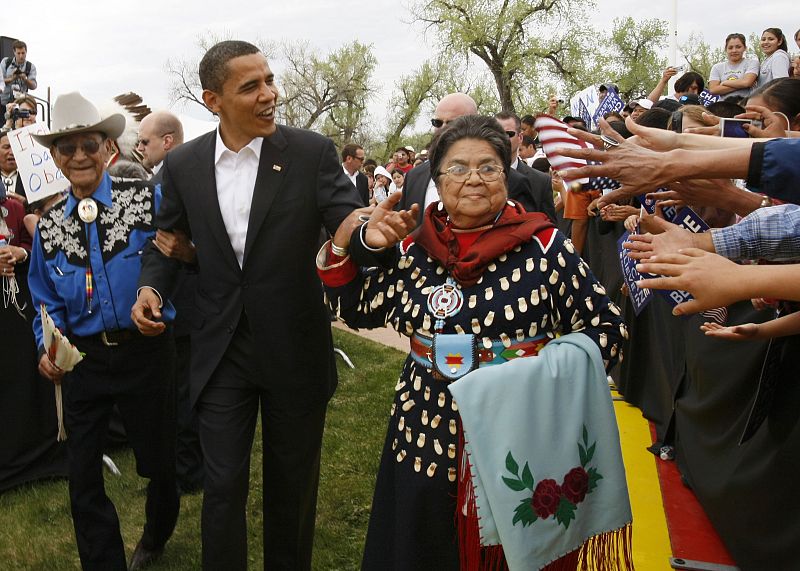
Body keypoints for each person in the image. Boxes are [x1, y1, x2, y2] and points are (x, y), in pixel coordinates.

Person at [323, 115, 628, 569]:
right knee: (422, 546)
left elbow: (608, 330)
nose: (473, 180)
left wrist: (529, 375)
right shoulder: (414, 248)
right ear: (437, 179)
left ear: (506, 175)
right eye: (458, 169)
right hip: (425, 431)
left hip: (518, 435)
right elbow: (358, 309)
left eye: (488, 168)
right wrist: (345, 243)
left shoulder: (545, 248)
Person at [131, 40, 363, 570]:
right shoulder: (185, 165)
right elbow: (165, 243)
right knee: (222, 487)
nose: (270, 94)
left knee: (292, 488)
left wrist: (368, 232)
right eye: (250, 86)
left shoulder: (309, 153)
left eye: (269, 80)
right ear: (213, 100)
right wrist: (152, 289)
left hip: (294, 347)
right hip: (221, 351)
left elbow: (348, 219)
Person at [27, 92, 179, 571]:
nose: (78, 156)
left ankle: (156, 533)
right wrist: (46, 347)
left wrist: (157, 302)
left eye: (88, 145)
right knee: (83, 476)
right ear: (55, 158)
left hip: (145, 353)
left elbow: (174, 256)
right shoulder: (49, 228)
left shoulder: (146, 200)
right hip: (84, 363)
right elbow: (44, 300)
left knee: (158, 462)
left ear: (107, 148)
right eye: (67, 148)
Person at [494, 111, 557, 222]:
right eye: (497, 133)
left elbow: (550, 227)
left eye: (509, 134)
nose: (502, 139)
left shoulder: (541, 181)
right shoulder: (476, 177)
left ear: (520, 138)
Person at [707, 33, 759, 100]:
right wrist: (742, 84)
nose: (734, 50)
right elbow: (713, 90)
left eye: (738, 47)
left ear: (745, 48)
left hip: (746, 106)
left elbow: (747, 82)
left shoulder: (752, 63)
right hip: (723, 106)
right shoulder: (717, 67)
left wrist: (724, 83)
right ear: (726, 49)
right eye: (730, 48)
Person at [1, 40, 37, 107]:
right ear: (14, 52)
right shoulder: (5, 62)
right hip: (3, 103)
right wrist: (11, 79)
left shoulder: (30, 66)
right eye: (18, 53)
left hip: (21, 104)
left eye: (23, 53)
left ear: (26, 52)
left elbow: (34, 86)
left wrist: (25, 79)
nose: (21, 56)